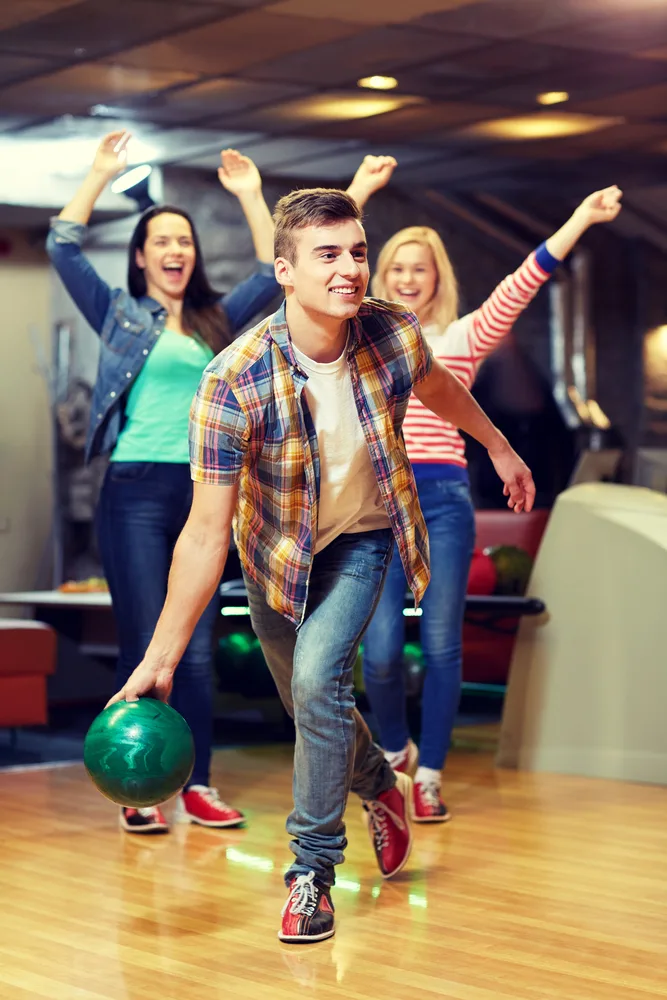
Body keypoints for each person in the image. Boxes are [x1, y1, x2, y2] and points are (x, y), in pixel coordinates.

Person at [107, 185, 535, 942]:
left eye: (357, 252)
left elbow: (438, 386)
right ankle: (379, 784)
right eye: (327, 255)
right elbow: (205, 535)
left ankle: (310, 875)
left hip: (364, 540)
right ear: (284, 270)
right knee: (312, 704)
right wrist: (160, 658)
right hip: (274, 557)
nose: (349, 270)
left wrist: (497, 446)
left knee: (314, 683)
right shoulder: (231, 381)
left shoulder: (389, 333)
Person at [348, 156, 623, 822]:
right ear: (380, 279)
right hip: (377, 501)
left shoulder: (461, 336)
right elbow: (322, 256)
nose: (407, 278)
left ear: (436, 278)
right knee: (379, 652)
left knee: (442, 643)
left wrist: (581, 217)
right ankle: (396, 747)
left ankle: (431, 774)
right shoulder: (364, 338)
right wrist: (357, 195)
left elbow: (523, 281)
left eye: (420, 268)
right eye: (396, 268)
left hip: (442, 497)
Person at [47, 130, 280, 835]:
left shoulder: (217, 319)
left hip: (206, 492)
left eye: (184, 240)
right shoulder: (118, 314)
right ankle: (138, 784)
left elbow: (276, 271)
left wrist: (249, 196)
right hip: (134, 491)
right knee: (146, 639)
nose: (176, 250)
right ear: (142, 255)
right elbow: (61, 246)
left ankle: (197, 782)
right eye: (162, 241)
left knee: (200, 647)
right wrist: (97, 173)